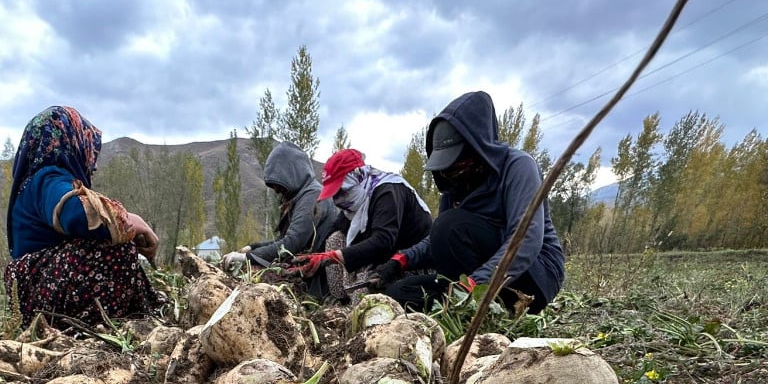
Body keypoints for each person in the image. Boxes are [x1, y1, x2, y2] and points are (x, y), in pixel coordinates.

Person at [372, 91, 565, 314]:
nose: (449, 174)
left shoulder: (519, 167)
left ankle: (481, 310)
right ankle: (463, 308)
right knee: (398, 294)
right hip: (472, 281)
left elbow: (525, 241)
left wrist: (472, 285)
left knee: (450, 226)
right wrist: (400, 260)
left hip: (532, 276)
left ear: (479, 151)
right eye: (445, 169)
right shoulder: (455, 185)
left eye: (456, 166)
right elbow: (436, 239)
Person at [5, 105, 160, 328]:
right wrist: (133, 222)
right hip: (40, 294)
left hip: (37, 291)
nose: (93, 165)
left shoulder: (36, 182)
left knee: (107, 243)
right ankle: (90, 326)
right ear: (70, 143)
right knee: (114, 250)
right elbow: (77, 214)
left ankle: (135, 313)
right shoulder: (48, 179)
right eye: (89, 152)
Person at [293, 148, 432, 300]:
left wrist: (333, 257)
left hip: (406, 263)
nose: (337, 201)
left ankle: (358, 309)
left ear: (356, 178)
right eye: (334, 195)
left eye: (341, 192)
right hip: (383, 256)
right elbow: (335, 228)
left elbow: (383, 241)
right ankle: (340, 299)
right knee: (335, 239)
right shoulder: (356, 202)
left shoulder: (388, 192)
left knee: (362, 290)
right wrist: (314, 259)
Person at [221, 140, 339, 296]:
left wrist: (246, 257)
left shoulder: (312, 197)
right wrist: (253, 247)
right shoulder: (303, 195)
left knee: (252, 284)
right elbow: (283, 240)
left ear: (292, 175)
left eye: (279, 185)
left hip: (315, 279)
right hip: (303, 270)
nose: (277, 191)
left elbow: (291, 243)